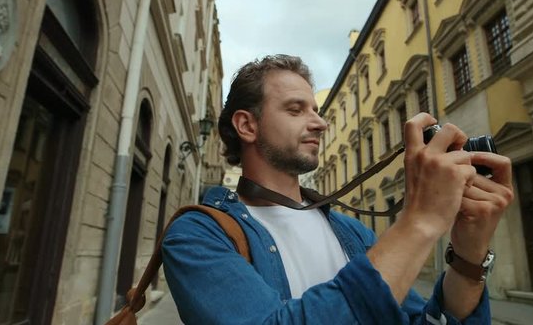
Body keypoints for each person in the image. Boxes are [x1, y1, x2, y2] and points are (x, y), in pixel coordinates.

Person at [162, 54, 514, 324]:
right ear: (247, 125)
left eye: (316, 109)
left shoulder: (352, 233)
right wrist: (418, 221)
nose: (320, 122)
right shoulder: (197, 235)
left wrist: (468, 258)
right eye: (296, 110)